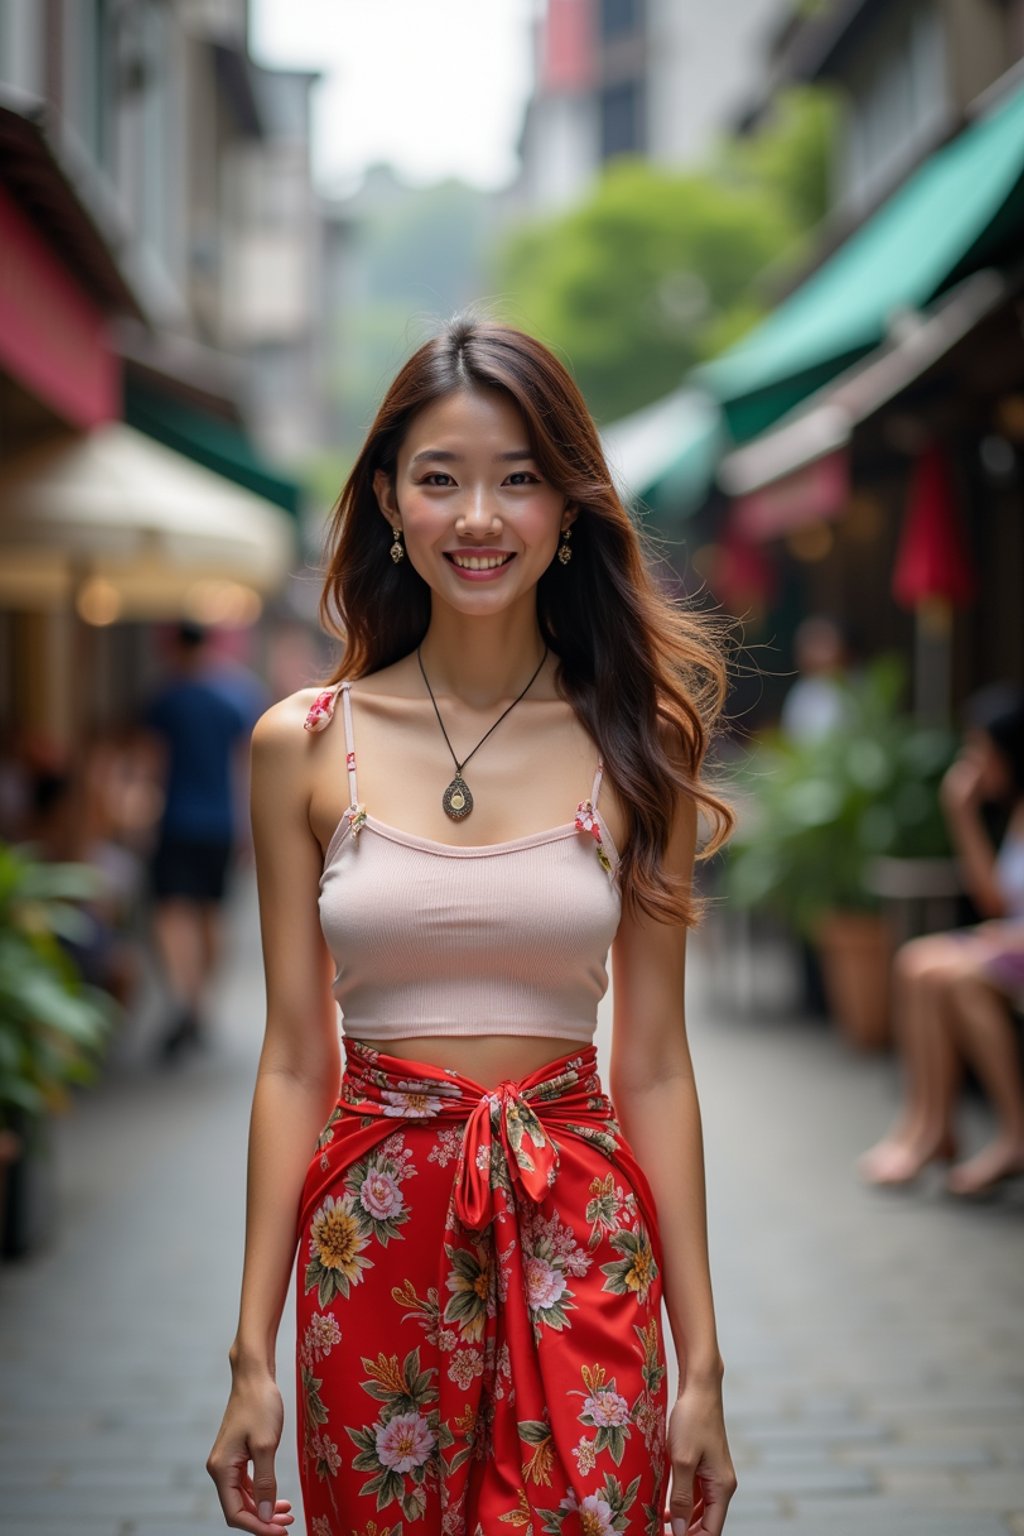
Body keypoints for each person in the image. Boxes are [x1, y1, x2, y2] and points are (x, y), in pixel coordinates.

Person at [205, 318, 739, 1536]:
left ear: (567, 508)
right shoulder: (301, 742)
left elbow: (653, 1061)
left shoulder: (637, 741)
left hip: (583, 1226)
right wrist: (249, 1349)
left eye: (519, 477)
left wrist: (701, 1363)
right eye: (441, 478)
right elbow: (295, 1055)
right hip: (371, 1237)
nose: (479, 517)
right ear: (389, 500)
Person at [857, 683, 1024, 1198]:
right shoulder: (1017, 811)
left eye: (981, 752)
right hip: (1011, 942)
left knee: (951, 974)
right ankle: (929, 1124)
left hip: (1013, 947)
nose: (973, 765)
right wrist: (962, 813)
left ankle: (1013, 1134)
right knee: (916, 960)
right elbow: (995, 901)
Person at [143, 621, 266, 1059]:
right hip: (220, 824)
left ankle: (185, 998)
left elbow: (152, 764)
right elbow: (244, 765)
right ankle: (201, 1000)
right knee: (212, 913)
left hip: (174, 820)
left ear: (176, 646)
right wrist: (248, 827)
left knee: (173, 911)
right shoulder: (235, 696)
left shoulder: (166, 698)